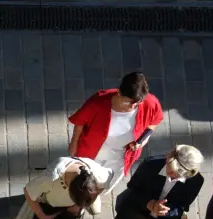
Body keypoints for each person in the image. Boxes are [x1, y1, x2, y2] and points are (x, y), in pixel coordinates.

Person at [68, 72, 164, 208]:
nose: (132, 107)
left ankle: (92, 197)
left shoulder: (150, 102)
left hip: (121, 156)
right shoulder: (99, 102)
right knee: (82, 179)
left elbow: (155, 121)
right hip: (92, 152)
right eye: (128, 101)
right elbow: (80, 122)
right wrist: (74, 142)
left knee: (107, 180)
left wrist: (144, 140)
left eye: (137, 103)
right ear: (118, 92)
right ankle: (78, 200)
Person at [98, 145, 205, 219]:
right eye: (171, 168)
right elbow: (133, 188)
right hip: (134, 209)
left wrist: (166, 211)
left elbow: (182, 206)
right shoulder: (150, 164)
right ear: (168, 156)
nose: (171, 175)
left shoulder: (196, 182)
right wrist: (149, 203)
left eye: (178, 174)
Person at [4, 156, 108, 219]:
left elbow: (105, 182)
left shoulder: (96, 174)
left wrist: (77, 206)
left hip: (70, 211)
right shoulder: (51, 178)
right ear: (69, 190)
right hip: (47, 207)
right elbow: (28, 192)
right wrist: (43, 216)